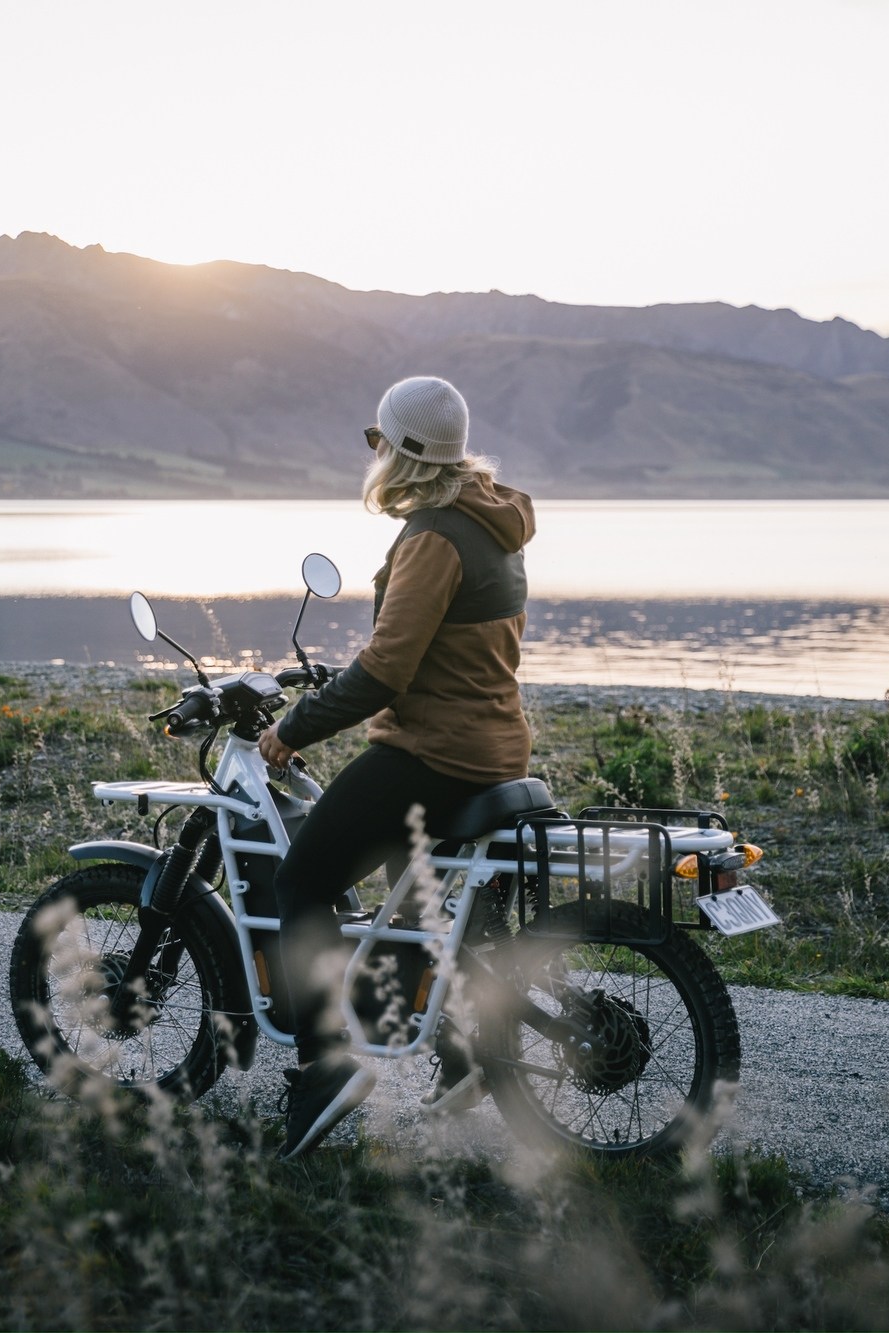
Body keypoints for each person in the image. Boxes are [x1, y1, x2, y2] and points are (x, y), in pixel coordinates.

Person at [257, 374, 536, 1161]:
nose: (371, 455)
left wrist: (294, 728)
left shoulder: (436, 534)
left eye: (376, 440)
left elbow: (387, 670)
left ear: (399, 453)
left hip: (437, 755)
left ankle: (320, 1070)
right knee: (416, 912)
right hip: (496, 748)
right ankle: (459, 1056)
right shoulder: (491, 519)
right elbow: (443, 649)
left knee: (301, 880)